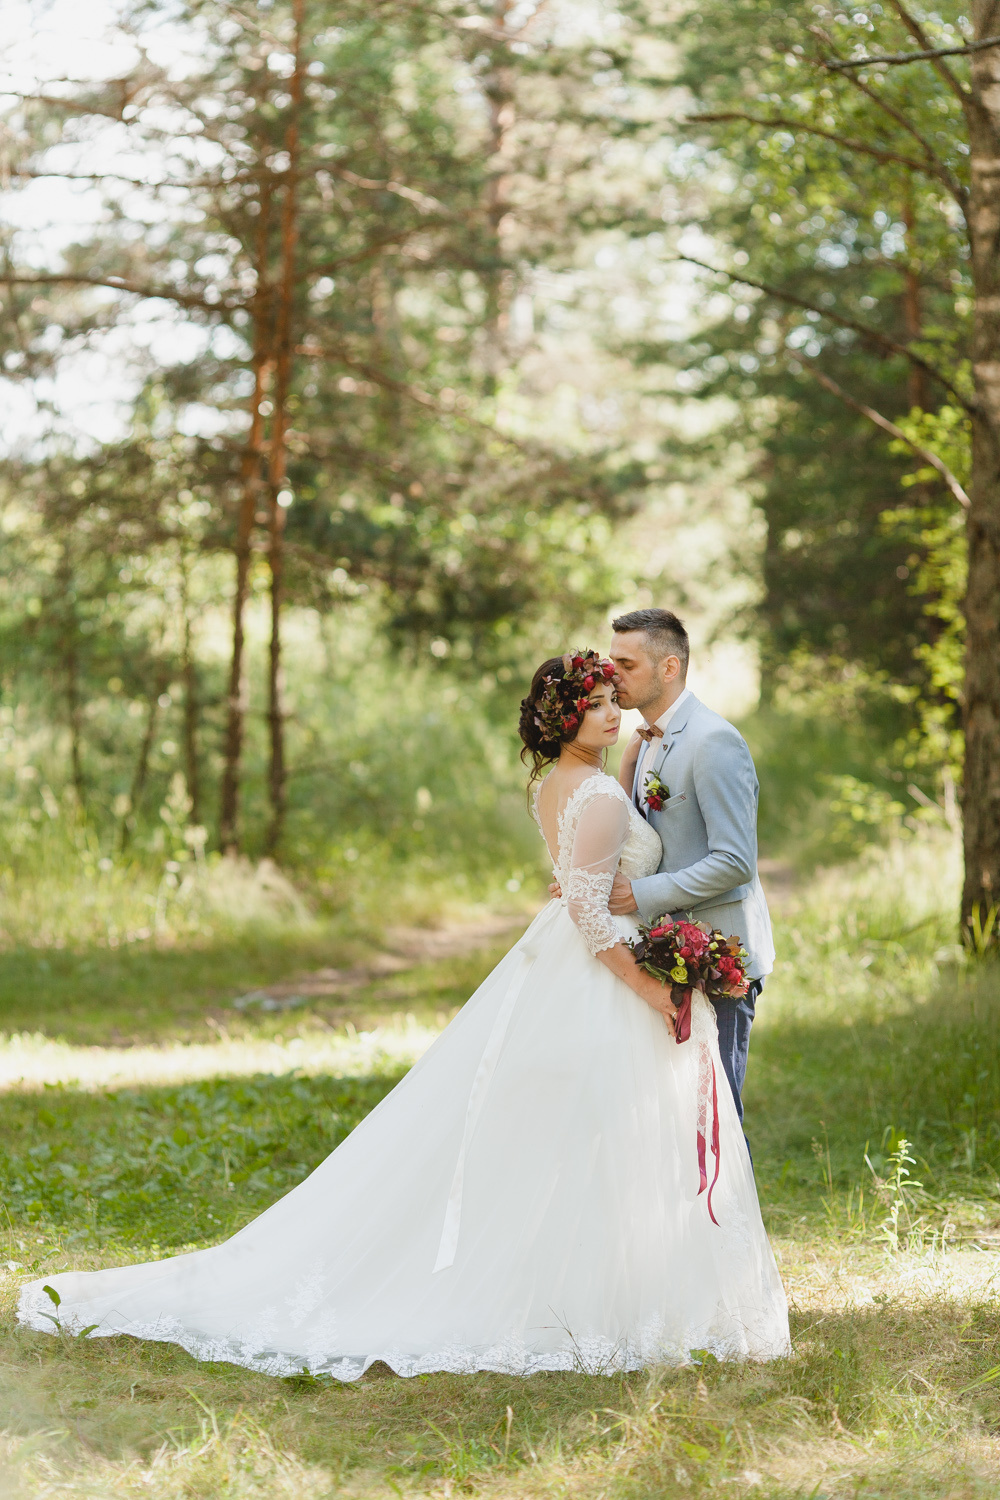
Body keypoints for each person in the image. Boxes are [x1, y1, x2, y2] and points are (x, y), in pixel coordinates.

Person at [18, 650, 788, 1378]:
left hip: (571, 958)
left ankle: (600, 1283)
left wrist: (622, 783)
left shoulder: (564, 782)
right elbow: (589, 911)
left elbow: (586, 869)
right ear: (563, 719)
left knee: (585, 1129)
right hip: (602, 967)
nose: (612, 713)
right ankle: (600, 1299)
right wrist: (653, 989)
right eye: (595, 706)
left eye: (612, 700)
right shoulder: (593, 795)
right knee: (605, 1124)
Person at [608, 609, 774, 1126]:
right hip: (668, 955)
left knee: (714, 1120)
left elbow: (735, 861)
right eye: (613, 662)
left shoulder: (712, 740)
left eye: (626, 665)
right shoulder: (645, 741)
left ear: (669, 667)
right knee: (675, 1124)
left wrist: (640, 895)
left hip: (719, 957)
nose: (613, 675)